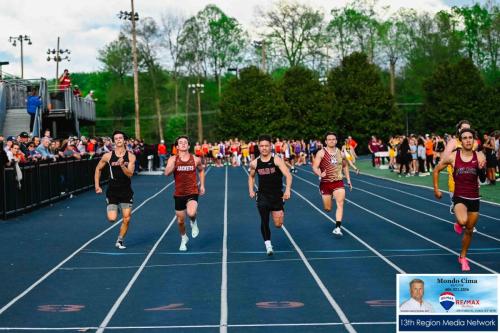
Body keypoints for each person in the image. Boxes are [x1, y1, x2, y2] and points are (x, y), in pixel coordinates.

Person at [433, 128, 486, 271]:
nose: (468, 140)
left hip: (474, 197)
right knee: (463, 221)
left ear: (473, 140)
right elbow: (436, 170)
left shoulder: (480, 155)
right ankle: (458, 222)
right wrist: (436, 189)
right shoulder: (453, 156)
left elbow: (482, 178)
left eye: (470, 137)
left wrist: (482, 169)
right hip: (460, 196)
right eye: (465, 138)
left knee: (469, 230)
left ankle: (463, 257)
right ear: (460, 141)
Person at [248, 134, 292, 256]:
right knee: (264, 220)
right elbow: (251, 177)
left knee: (278, 224)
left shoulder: (277, 160)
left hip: (277, 196)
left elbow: (288, 175)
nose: (264, 148)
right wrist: (251, 190)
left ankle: (277, 215)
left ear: (270, 146)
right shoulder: (255, 163)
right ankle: (268, 245)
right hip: (262, 196)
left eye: (266, 146)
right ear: (258, 147)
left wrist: (288, 190)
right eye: (261, 146)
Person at [94, 130, 136, 249]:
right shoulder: (107, 156)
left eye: (120, 138)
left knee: (127, 218)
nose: (118, 140)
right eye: (116, 138)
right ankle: (114, 205)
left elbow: (130, 174)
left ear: (124, 140)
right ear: (113, 141)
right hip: (112, 190)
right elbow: (98, 169)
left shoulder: (131, 156)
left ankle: (120, 240)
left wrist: (122, 165)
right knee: (112, 219)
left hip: (126, 190)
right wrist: (97, 185)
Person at [164, 136, 205, 251]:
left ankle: (194, 221)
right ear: (177, 147)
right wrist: (175, 163)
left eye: (185, 142)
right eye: (180, 143)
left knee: (191, 213)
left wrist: (202, 185)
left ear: (188, 146)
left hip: (192, 191)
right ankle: (184, 238)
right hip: (179, 194)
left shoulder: (195, 159)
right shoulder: (172, 159)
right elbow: (166, 173)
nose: (182, 144)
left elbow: (201, 170)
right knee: (180, 221)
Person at [312, 132, 352, 236]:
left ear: (336, 141)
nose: (331, 141)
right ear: (326, 141)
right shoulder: (321, 153)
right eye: (329, 139)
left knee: (340, 203)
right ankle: (328, 196)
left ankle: (338, 227)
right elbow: (314, 167)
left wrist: (348, 179)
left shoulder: (341, 153)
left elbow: (345, 166)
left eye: (333, 139)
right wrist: (320, 173)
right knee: (327, 209)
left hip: (338, 182)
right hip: (325, 183)